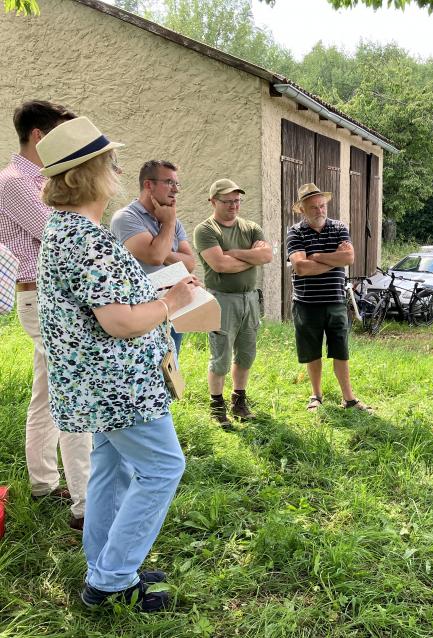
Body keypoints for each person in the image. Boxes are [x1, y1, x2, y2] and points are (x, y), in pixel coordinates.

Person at [35, 116, 196, 611]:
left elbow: (104, 305)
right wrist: (172, 301)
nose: (118, 169)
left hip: (95, 383)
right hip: (118, 383)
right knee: (164, 467)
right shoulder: (88, 238)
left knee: (110, 467)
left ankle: (105, 561)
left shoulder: (67, 230)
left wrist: (154, 295)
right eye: (112, 162)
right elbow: (120, 322)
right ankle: (111, 581)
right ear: (90, 173)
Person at [0, 100, 90, 530]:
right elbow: (60, 236)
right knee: (73, 393)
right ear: (39, 136)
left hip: (50, 297)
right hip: (42, 297)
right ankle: (85, 504)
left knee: (48, 395)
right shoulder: (15, 182)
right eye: (58, 135)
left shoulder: (39, 180)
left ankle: (43, 483)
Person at [194, 179, 272, 427]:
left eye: (237, 200)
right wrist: (252, 257)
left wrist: (234, 253)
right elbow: (220, 265)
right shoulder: (206, 230)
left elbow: (267, 255)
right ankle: (217, 406)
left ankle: (239, 400)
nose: (233, 205)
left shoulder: (250, 228)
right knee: (221, 356)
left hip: (250, 298)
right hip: (222, 299)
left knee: (246, 353)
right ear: (213, 201)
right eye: (227, 201)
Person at [286, 183, 368, 412]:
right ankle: (316, 395)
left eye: (322, 205)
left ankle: (349, 398)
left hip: (335, 302)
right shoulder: (295, 231)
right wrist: (334, 259)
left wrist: (318, 255)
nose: (320, 210)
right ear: (302, 209)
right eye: (313, 207)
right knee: (312, 351)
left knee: (340, 350)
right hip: (306, 303)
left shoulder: (339, 227)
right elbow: (300, 267)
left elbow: (349, 258)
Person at [110, 160, 196, 355]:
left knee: (171, 370)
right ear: (149, 185)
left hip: (173, 307)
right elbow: (155, 257)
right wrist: (168, 223)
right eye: (169, 182)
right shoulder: (126, 218)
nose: (176, 190)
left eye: (177, 184)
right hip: (142, 312)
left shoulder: (173, 220)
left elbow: (190, 264)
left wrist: (161, 245)